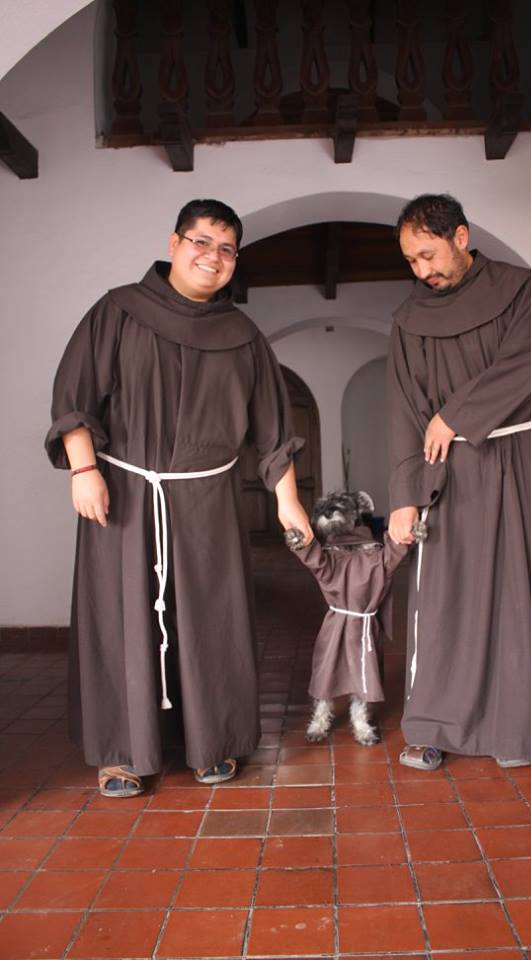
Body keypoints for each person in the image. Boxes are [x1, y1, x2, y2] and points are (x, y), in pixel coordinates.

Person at [45, 199, 312, 797]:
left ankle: (211, 742)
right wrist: (83, 469)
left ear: (234, 260)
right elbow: (75, 397)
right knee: (120, 620)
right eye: (201, 242)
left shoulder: (242, 336)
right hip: (122, 495)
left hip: (207, 501)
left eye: (226, 249)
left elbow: (272, 430)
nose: (211, 257)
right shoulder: (117, 311)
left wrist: (287, 502)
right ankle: (123, 752)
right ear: (173, 243)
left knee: (211, 621)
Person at [387, 193, 531, 772]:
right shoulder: (409, 319)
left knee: (518, 592)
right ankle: (434, 724)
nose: (422, 271)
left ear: (460, 238)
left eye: (428, 255)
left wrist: (454, 416)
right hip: (447, 474)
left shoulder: (519, 289)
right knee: (444, 599)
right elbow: (404, 410)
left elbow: (529, 367)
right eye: (411, 261)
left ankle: (515, 726)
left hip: (517, 459)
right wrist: (404, 496)